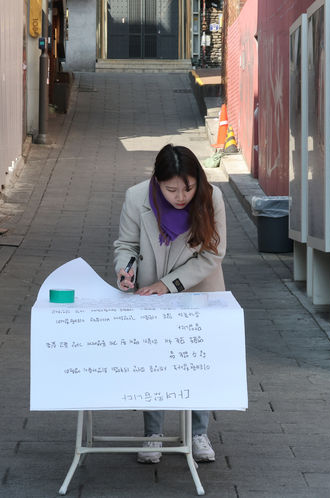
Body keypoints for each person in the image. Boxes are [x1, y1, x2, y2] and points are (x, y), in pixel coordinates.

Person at [113, 144, 227, 464]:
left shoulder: (211, 197)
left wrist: (168, 284)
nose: (181, 196)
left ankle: (198, 433)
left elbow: (213, 254)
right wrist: (125, 269)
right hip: (150, 292)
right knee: (155, 360)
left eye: (188, 187)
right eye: (171, 189)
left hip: (198, 288)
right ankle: (153, 435)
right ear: (157, 183)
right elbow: (126, 245)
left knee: (197, 360)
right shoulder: (137, 198)